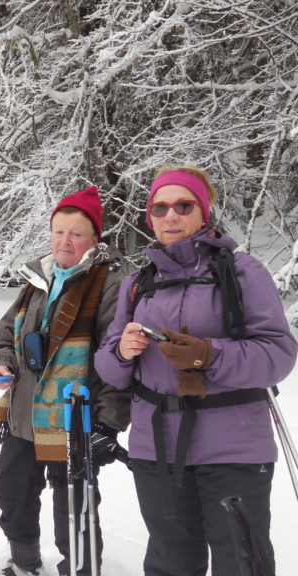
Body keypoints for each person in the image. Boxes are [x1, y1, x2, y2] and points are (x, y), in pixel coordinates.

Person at [94, 165, 298, 576]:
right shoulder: (137, 283)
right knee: (170, 563)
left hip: (233, 446)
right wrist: (122, 351)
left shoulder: (242, 272)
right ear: (149, 217)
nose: (170, 216)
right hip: (157, 448)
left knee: (242, 562)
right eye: (160, 208)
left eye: (183, 206)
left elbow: (279, 354)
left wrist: (209, 355)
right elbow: (109, 369)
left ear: (203, 212)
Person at [0, 186, 129, 576]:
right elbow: (5, 335)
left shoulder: (110, 285)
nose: (65, 240)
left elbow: (118, 360)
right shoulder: (38, 279)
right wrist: (2, 363)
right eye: (58, 231)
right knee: (11, 492)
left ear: (94, 239)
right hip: (24, 412)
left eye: (76, 233)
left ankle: (80, 571)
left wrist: (108, 423)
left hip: (74, 420)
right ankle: (25, 562)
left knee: (74, 510)